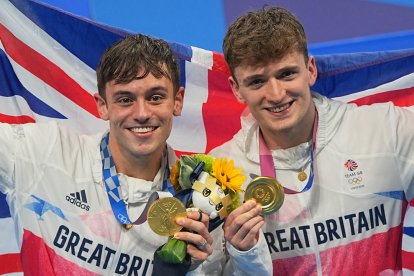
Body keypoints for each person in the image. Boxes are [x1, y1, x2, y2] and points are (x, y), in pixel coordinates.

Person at [0, 34, 272, 275]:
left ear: (177, 102)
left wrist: (244, 253)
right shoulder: (44, 153)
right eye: (125, 99)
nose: (142, 113)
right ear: (102, 105)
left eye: (155, 97)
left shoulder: (204, 198)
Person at [210, 6, 414, 275]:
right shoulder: (218, 173)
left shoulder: (385, 129)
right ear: (237, 89)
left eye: (286, 74)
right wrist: (244, 255)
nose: (275, 94)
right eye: (257, 82)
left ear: (310, 70)